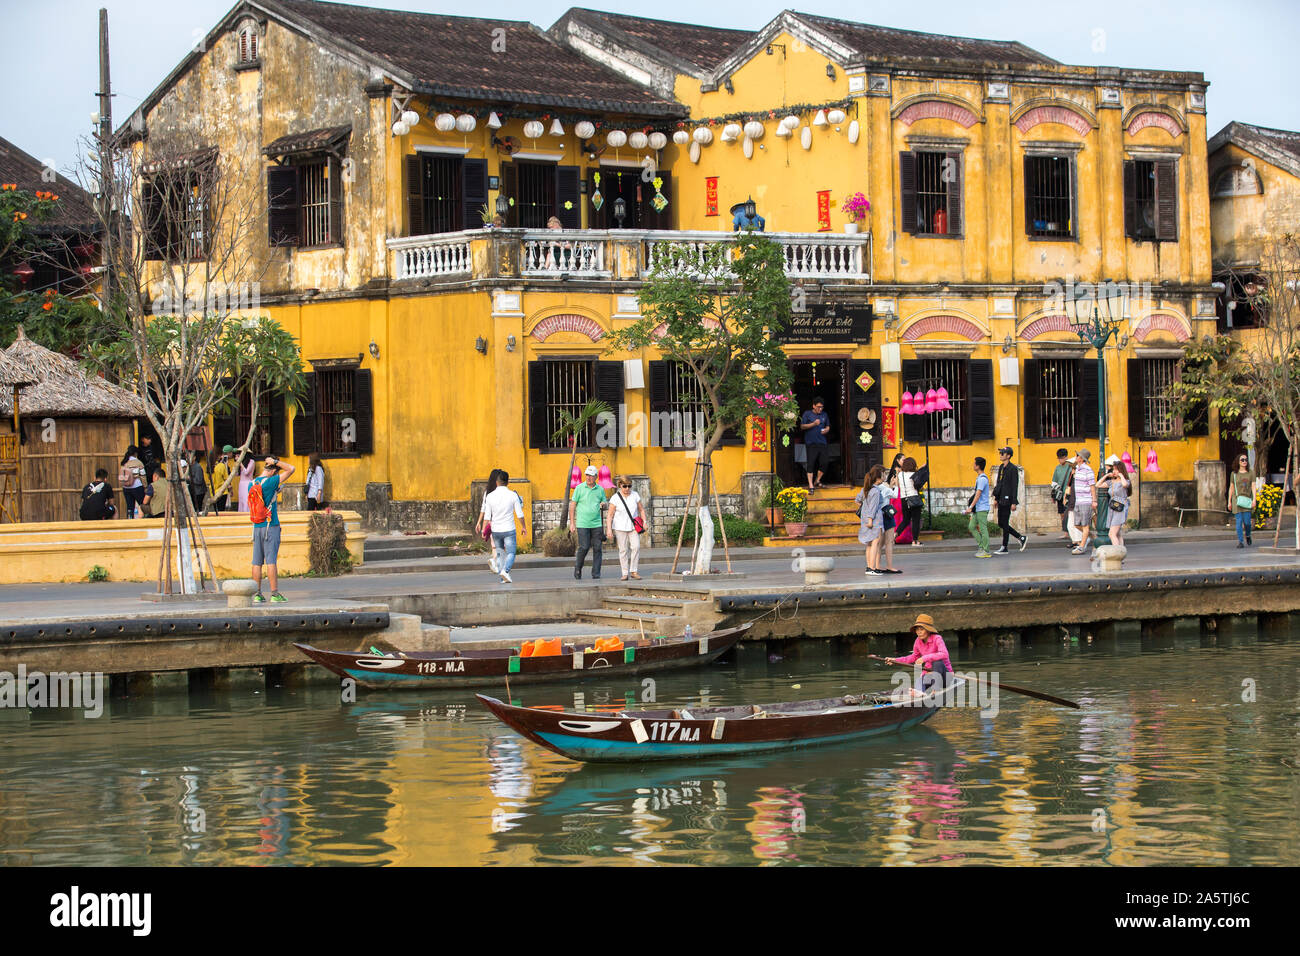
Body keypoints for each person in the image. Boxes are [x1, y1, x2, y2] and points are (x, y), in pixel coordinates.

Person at [249, 455, 295, 603]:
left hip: (257, 526)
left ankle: (257, 593)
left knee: (256, 562)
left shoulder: (252, 483)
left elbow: (262, 497)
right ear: (273, 470)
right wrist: (275, 462)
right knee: (271, 561)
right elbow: (291, 469)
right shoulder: (271, 481)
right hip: (271, 525)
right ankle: (274, 594)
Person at [886, 613, 953, 696]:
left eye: (922, 629)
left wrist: (925, 658)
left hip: (945, 677)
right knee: (919, 681)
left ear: (928, 630)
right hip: (930, 674)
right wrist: (895, 660)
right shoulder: (918, 641)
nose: (919, 632)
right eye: (917, 629)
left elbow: (944, 654)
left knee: (937, 662)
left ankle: (936, 689)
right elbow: (914, 657)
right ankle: (921, 694)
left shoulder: (937, 638)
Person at [477, 469, 525, 584]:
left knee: (499, 553)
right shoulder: (513, 495)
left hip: (496, 530)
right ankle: (506, 571)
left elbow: (487, 516)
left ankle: (502, 577)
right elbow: (520, 514)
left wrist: (484, 530)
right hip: (509, 529)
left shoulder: (490, 496)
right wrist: (523, 526)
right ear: (507, 482)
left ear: (497, 482)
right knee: (511, 553)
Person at [569, 464, 607, 580]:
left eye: (591, 476)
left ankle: (596, 573)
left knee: (597, 548)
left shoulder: (600, 489)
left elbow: (605, 503)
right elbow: (573, 505)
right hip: (582, 523)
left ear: (596, 477)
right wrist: (572, 523)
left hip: (597, 524)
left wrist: (604, 504)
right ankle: (578, 567)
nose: (588, 478)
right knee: (584, 547)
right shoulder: (579, 488)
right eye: (587, 475)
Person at [606, 476, 648, 581]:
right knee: (623, 550)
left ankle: (633, 571)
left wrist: (645, 522)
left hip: (633, 527)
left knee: (636, 547)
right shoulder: (615, 498)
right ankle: (625, 573)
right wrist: (609, 529)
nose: (627, 488)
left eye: (629, 486)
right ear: (620, 485)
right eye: (625, 486)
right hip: (620, 527)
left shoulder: (635, 495)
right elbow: (610, 515)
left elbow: (641, 510)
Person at [992, 446, 1028, 554]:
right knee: (1001, 523)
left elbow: (1014, 486)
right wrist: (996, 498)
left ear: (1008, 456)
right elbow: (999, 484)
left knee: (1004, 522)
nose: (1001, 455)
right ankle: (1021, 538)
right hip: (1001, 498)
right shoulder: (1001, 467)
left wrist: (1014, 502)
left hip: (1008, 499)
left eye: (1003, 453)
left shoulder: (1013, 469)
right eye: (1000, 453)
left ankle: (1005, 546)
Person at [856, 464, 885, 575]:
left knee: (869, 544)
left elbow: (857, 500)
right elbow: (873, 507)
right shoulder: (876, 491)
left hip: (865, 519)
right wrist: (870, 520)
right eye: (883, 474)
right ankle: (872, 568)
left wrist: (865, 509)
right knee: (875, 543)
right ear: (878, 477)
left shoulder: (866, 488)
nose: (884, 476)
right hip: (874, 521)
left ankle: (869, 567)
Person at [1098, 454, 1132, 549]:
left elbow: (1125, 485)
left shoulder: (1125, 481)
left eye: (1116, 469)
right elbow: (1098, 485)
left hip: (1120, 508)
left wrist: (1121, 475)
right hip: (1113, 507)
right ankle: (1121, 553)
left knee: (1111, 534)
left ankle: (1117, 553)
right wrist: (1106, 475)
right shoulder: (1111, 482)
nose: (1114, 471)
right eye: (1114, 469)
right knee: (1118, 534)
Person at [963, 456, 992, 558]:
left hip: (982, 508)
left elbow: (978, 494)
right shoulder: (979, 478)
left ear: (978, 466)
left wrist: (970, 507)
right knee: (971, 526)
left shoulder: (982, 479)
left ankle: (986, 550)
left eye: (974, 463)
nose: (973, 465)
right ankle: (981, 546)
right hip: (978, 509)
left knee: (983, 529)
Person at [800, 397, 831, 493]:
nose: (820, 409)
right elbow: (802, 426)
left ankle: (817, 480)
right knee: (811, 464)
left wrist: (827, 429)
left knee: (825, 462)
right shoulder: (807, 414)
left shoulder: (824, 415)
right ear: (813, 406)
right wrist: (813, 424)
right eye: (818, 407)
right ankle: (811, 485)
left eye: (821, 407)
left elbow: (828, 426)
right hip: (811, 443)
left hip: (822, 442)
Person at [1070, 449, 1097, 556]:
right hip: (1078, 501)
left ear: (1081, 458)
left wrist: (1094, 500)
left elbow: (1092, 486)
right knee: (1077, 524)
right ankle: (1093, 537)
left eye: (1077, 456)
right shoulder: (1077, 469)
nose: (1075, 457)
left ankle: (1082, 547)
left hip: (1086, 500)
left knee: (1085, 525)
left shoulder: (1088, 470)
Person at [1228, 453, 1256, 548]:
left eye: (1246, 460)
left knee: (1247, 522)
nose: (1244, 461)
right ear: (1238, 462)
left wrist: (1254, 500)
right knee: (1238, 522)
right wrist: (1229, 501)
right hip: (1236, 500)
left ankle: (1248, 535)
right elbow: (1231, 487)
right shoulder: (1234, 474)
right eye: (1242, 460)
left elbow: (1253, 486)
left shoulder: (1251, 473)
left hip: (1247, 499)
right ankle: (1240, 541)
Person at [898, 456, 924, 547]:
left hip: (904, 499)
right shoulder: (914, 474)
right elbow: (918, 486)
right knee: (916, 520)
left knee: (906, 520)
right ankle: (915, 541)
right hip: (914, 498)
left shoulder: (900, 475)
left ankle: (895, 534)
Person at [118, 445, 146, 518]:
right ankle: (144, 520)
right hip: (137, 487)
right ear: (135, 453)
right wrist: (145, 486)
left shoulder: (124, 462)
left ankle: (129, 521)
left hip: (126, 488)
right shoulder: (139, 463)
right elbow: (143, 476)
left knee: (130, 507)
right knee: (142, 505)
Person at [1050, 448, 1072, 540]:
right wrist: (1053, 496)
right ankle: (1066, 533)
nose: (1060, 460)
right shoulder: (1057, 468)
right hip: (1060, 494)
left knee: (1070, 514)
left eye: (1062, 458)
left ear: (1066, 457)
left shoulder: (1071, 467)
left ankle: (1072, 532)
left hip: (1069, 495)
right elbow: (1054, 482)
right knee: (1062, 514)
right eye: (1058, 458)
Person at [209, 446, 233, 514]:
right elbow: (227, 480)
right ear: (219, 455)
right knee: (221, 511)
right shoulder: (221, 466)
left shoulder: (210, 466)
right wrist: (231, 490)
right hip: (222, 492)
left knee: (216, 511)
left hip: (213, 492)